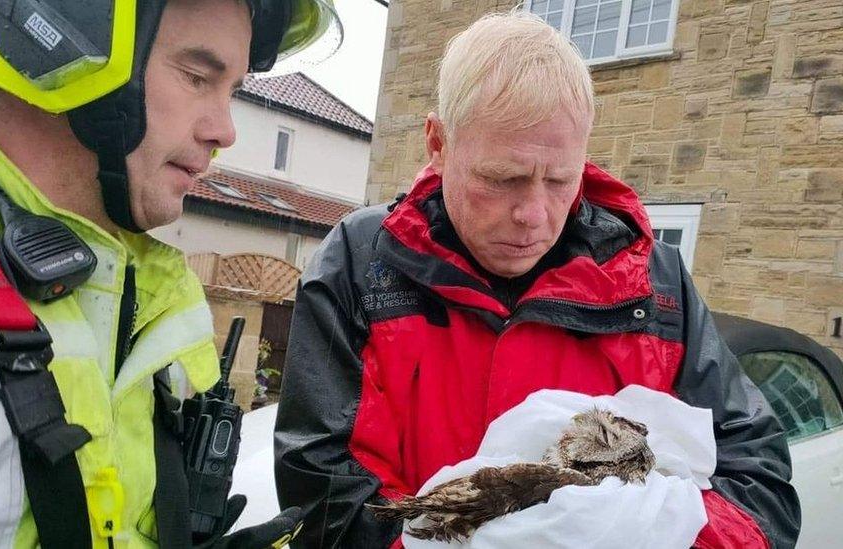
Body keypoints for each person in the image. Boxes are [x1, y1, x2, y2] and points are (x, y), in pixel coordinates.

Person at [274, 9, 800, 549]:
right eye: (502, 179)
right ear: (437, 142)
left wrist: (645, 533)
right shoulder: (362, 264)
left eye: (560, 180)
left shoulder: (653, 281)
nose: (533, 214)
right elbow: (323, 491)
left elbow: (758, 484)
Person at [0, 0, 341, 547]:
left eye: (231, 91)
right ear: (57, 37)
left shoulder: (148, 289)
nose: (224, 130)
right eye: (196, 77)